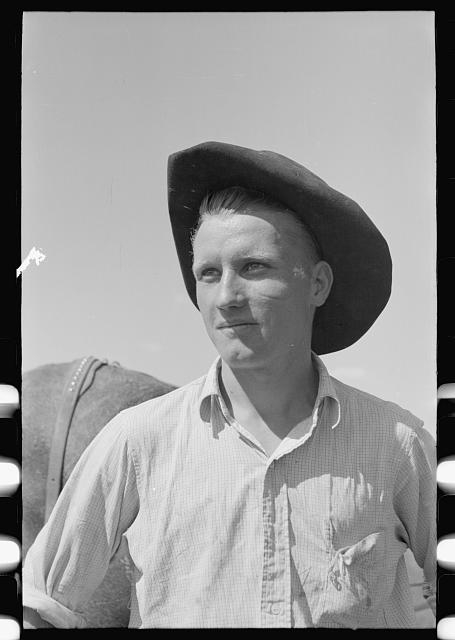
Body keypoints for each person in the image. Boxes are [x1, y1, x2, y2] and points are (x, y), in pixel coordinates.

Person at [23, 141, 436, 629]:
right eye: (208, 274)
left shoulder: (398, 444)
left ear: (318, 284)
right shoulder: (137, 440)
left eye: (254, 267)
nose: (226, 297)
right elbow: (40, 607)